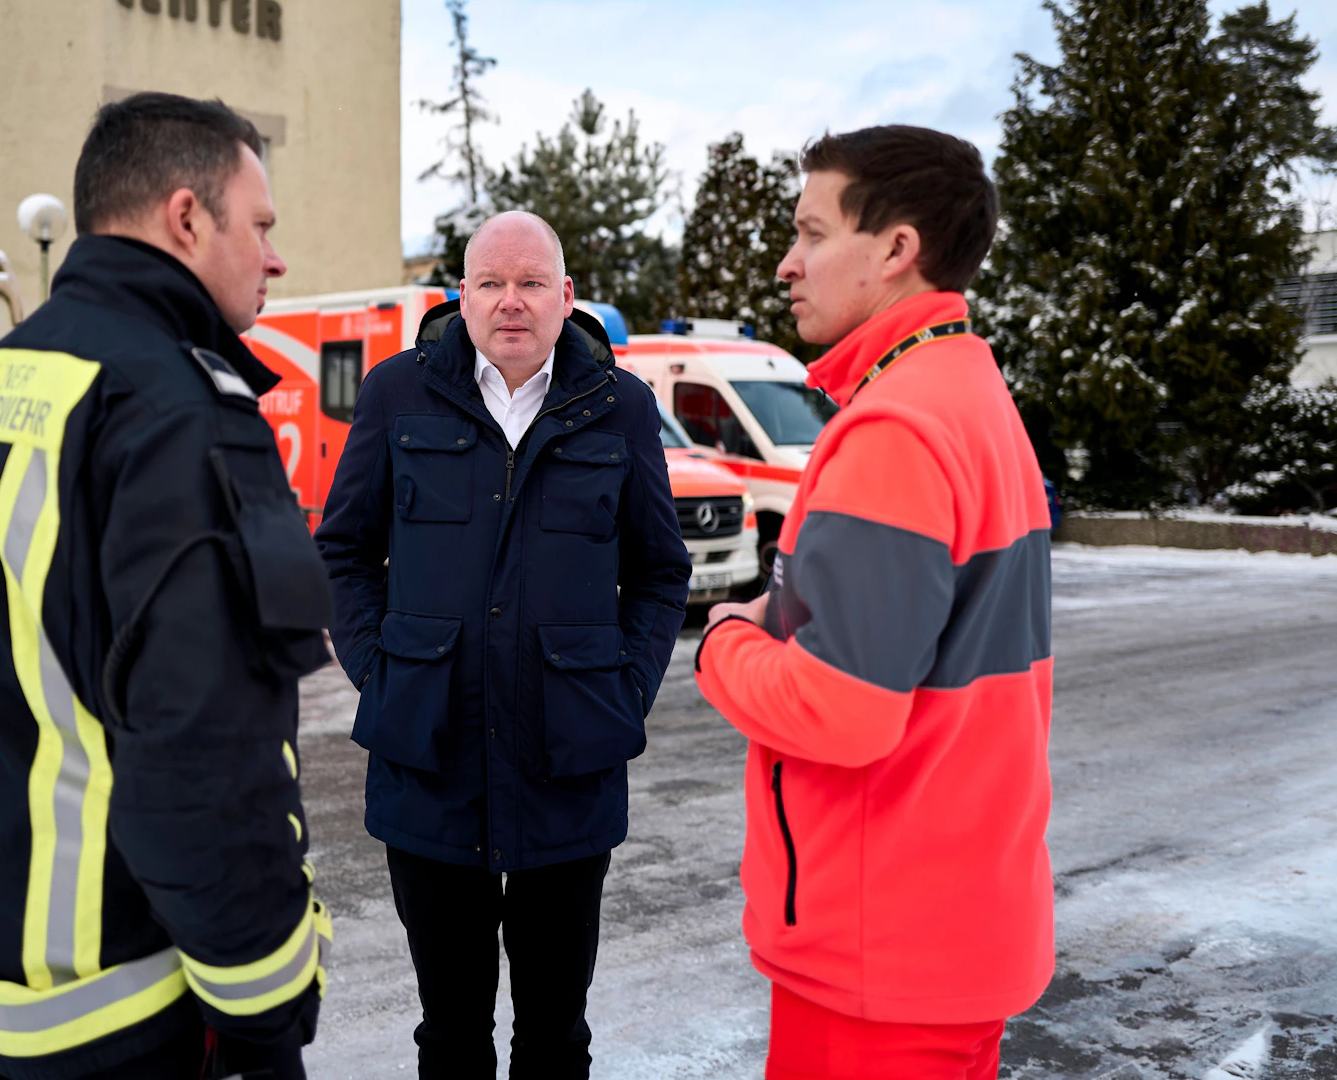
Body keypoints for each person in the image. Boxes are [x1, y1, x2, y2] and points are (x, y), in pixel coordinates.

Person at [0, 93, 334, 1080]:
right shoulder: (179, 408)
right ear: (186, 218)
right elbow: (204, 750)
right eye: (260, 224)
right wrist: (267, 1005)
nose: (274, 258)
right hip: (138, 1008)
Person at [697, 126, 1054, 1080]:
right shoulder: (970, 391)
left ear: (897, 248)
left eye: (812, 233)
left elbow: (842, 709)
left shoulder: (894, 426)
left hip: (878, 953)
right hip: (958, 925)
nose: (788, 262)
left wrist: (723, 641)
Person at [314, 211, 690, 1078]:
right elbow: (343, 551)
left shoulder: (622, 406)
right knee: (450, 1034)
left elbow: (660, 571)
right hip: (429, 763)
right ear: (463, 295)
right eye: (490, 282)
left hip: (570, 764)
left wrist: (626, 685)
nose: (510, 301)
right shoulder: (397, 393)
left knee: (556, 1035)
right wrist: (380, 671)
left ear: (566, 295)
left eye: (530, 283)